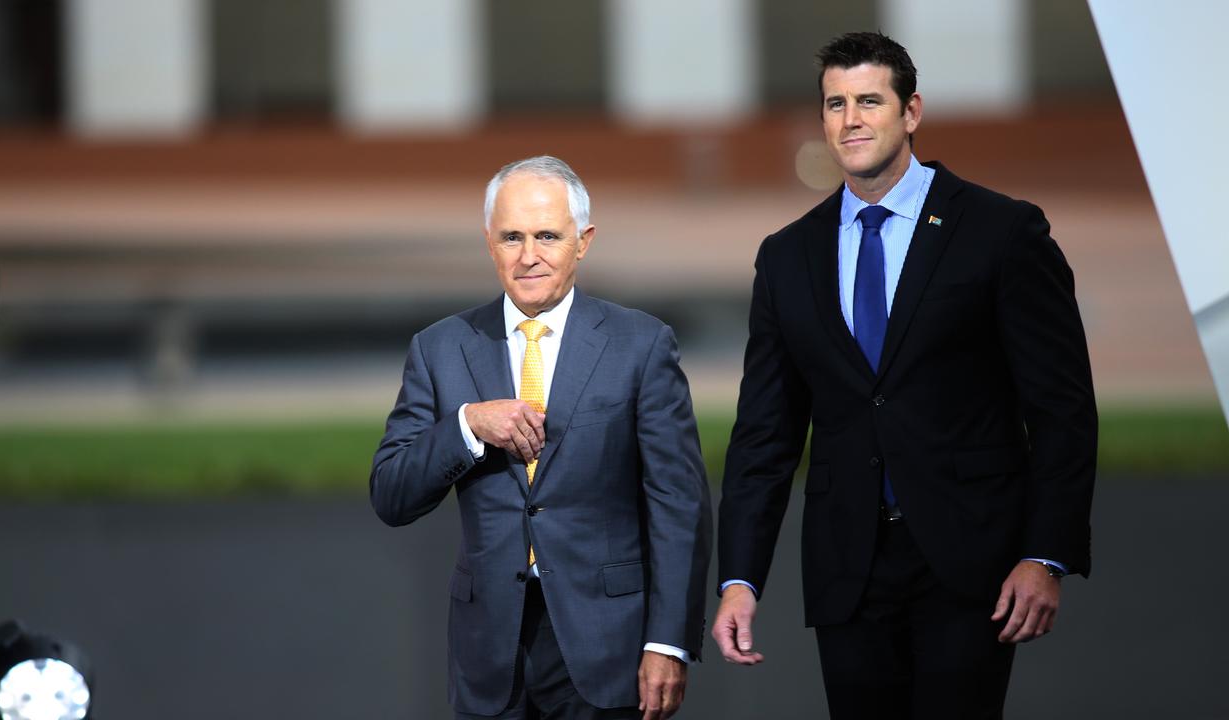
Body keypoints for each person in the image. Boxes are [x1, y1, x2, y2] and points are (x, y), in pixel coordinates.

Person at [712, 32, 1096, 719]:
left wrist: (1047, 553)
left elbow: (1063, 408)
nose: (850, 119)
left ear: (910, 112)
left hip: (971, 564)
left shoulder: (1001, 232)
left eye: (868, 101)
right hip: (847, 567)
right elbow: (763, 436)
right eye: (835, 104)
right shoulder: (787, 256)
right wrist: (740, 579)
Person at [371, 155, 712, 720]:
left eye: (547, 236)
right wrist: (467, 427)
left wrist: (667, 641)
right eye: (512, 237)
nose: (529, 255)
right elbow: (391, 493)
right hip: (489, 657)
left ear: (583, 241)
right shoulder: (441, 347)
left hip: (609, 648)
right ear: (489, 243)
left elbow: (679, 506)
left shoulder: (641, 345)